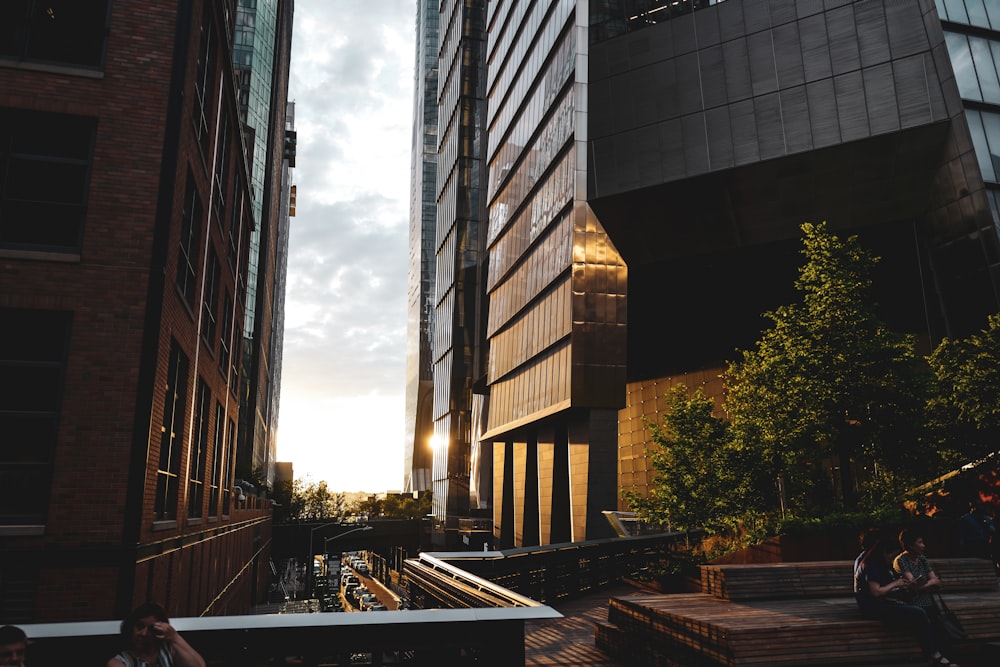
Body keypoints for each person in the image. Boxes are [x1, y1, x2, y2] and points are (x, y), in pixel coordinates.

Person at [855, 536, 959, 667]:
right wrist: (896, 583)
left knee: (924, 609)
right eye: (892, 555)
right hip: (872, 607)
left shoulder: (882, 564)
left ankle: (941, 652)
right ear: (884, 552)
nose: (893, 559)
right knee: (918, 613)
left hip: (883, 602)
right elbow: (876, 592)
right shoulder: (872, 564)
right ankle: (934, 655)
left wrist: (901, 586)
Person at [107, 603, 205, 667]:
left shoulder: (168, 652)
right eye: (140, 626)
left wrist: (174, 637)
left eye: (151, 629)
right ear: (131, 628)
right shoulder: (120, 662)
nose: (144, 634)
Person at [893, 528, 942, 610]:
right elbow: (914, 585)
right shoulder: (901, 560)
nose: (923, 545)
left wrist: (926, 584)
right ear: (910, 545)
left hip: (929, 602)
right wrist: (931, 582)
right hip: (913, 604)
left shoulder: (922, 558)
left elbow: (937, 582)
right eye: (920, 542)